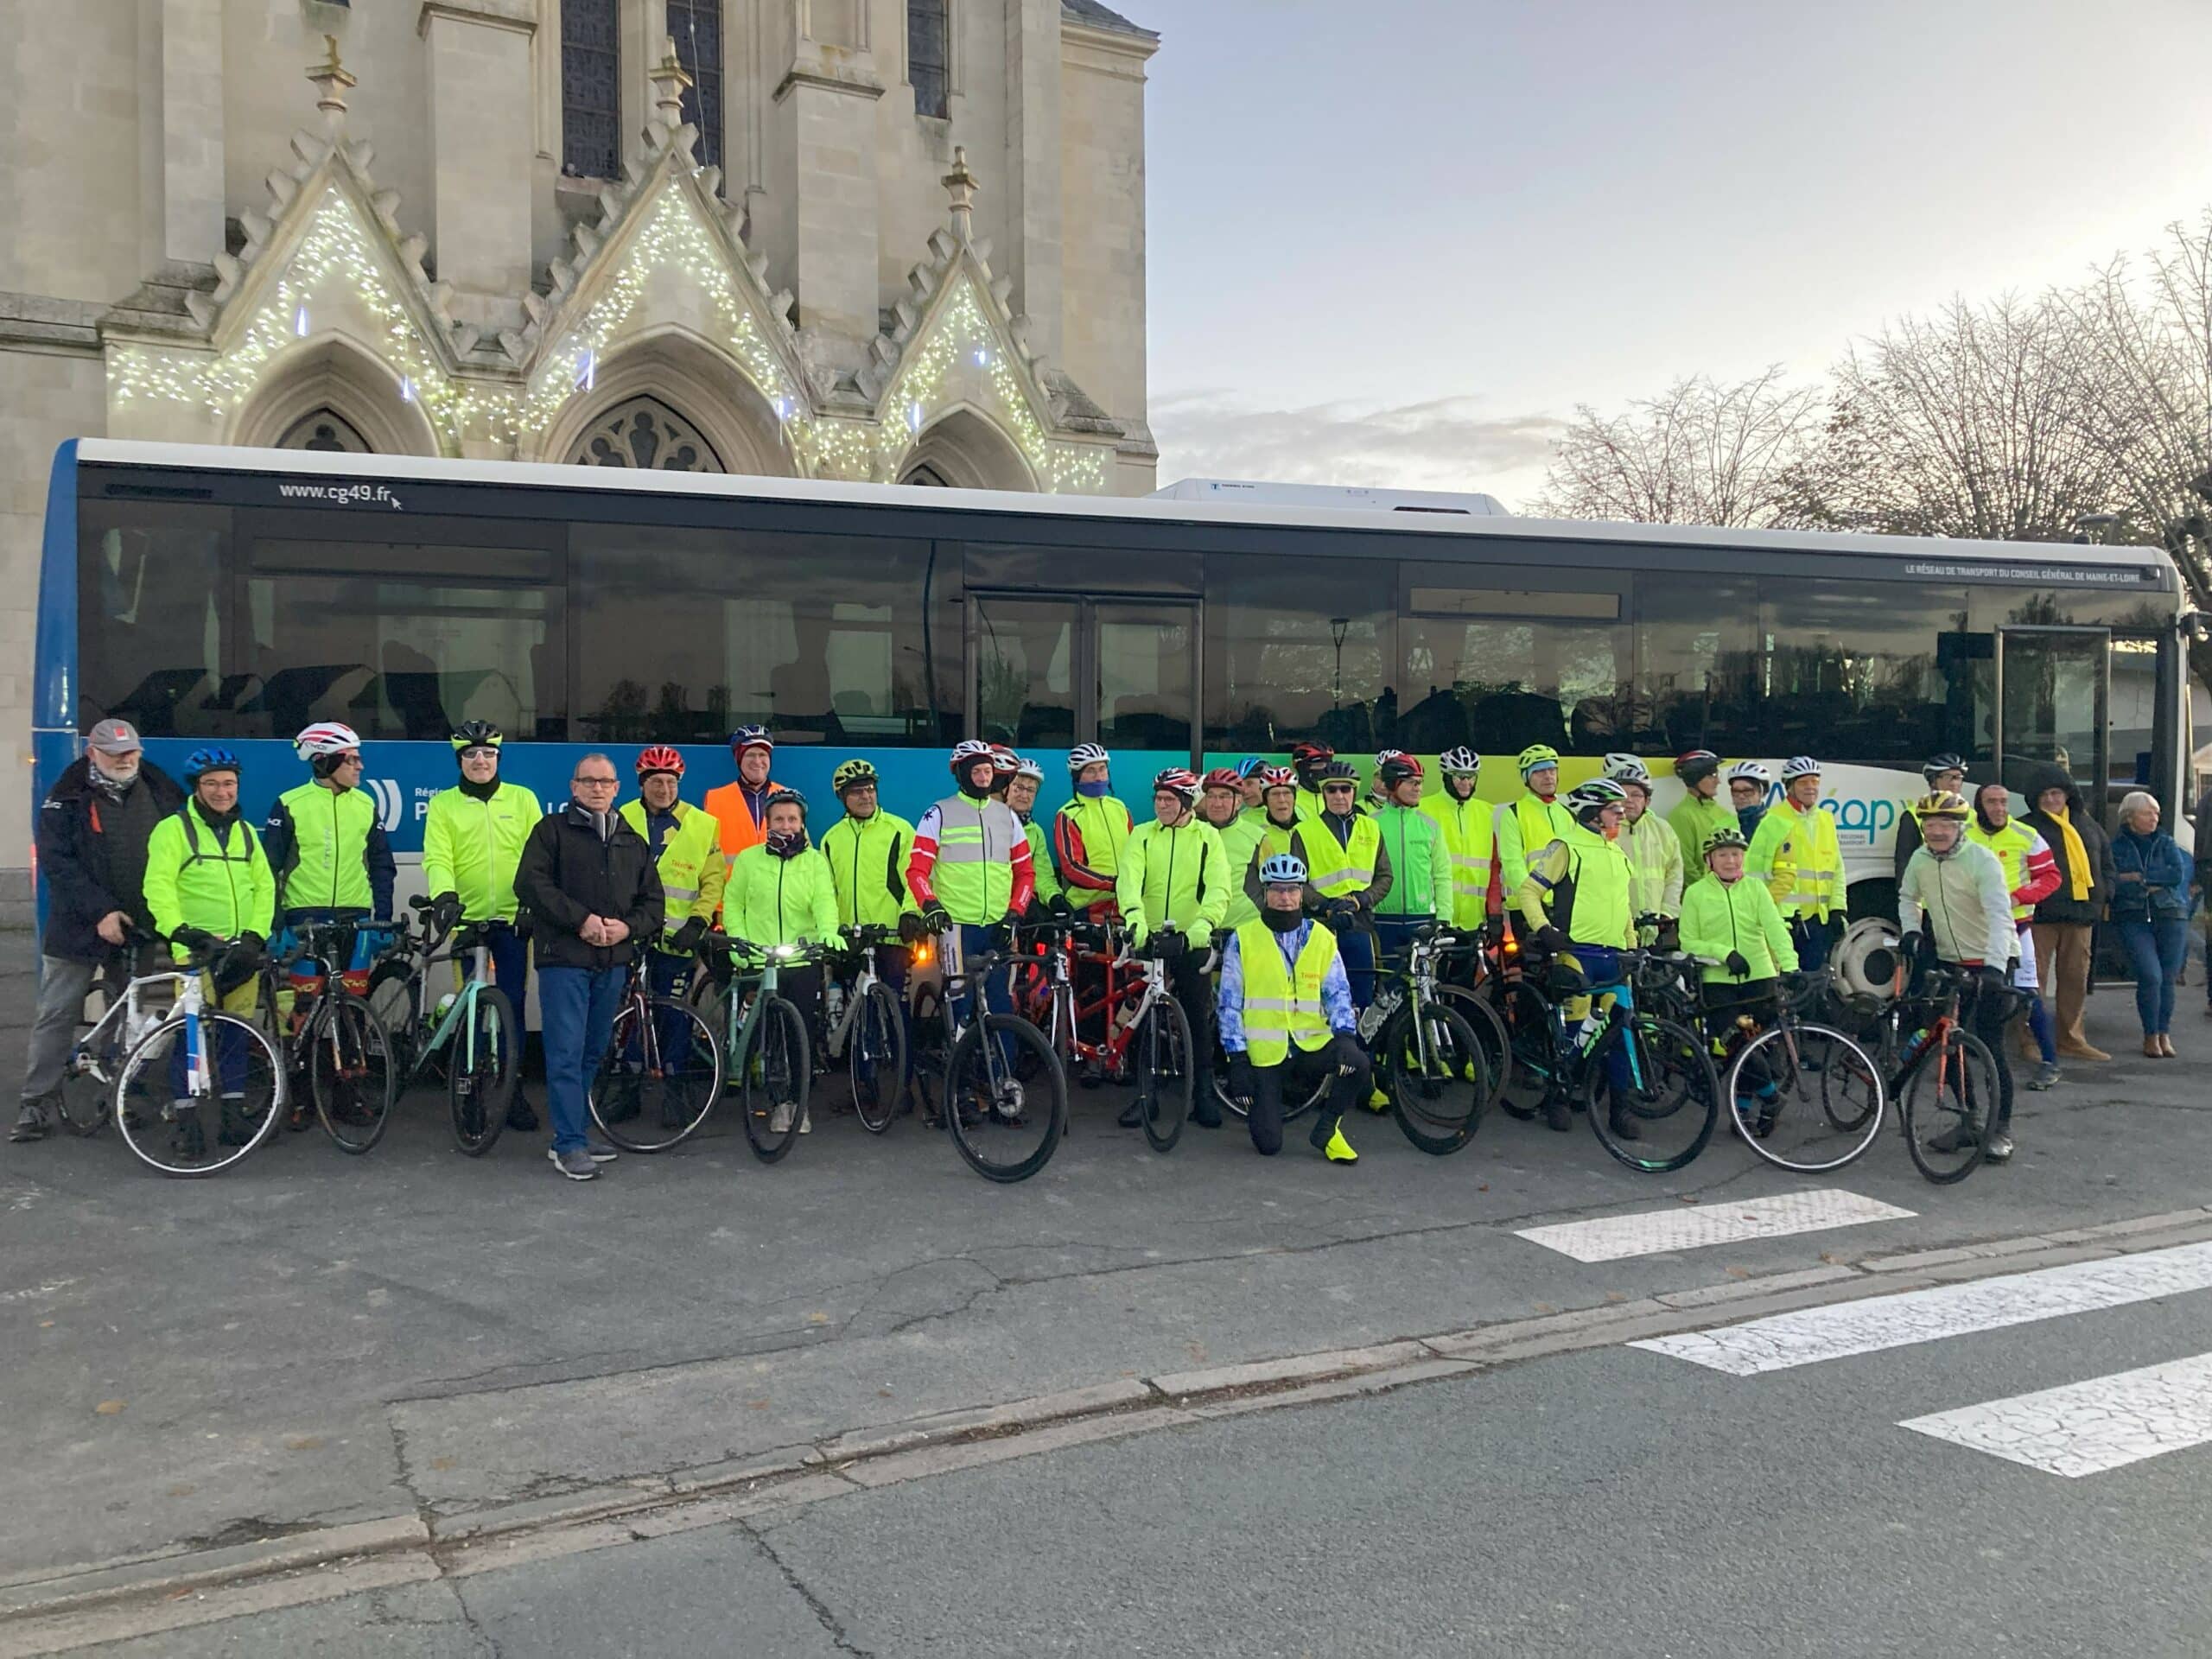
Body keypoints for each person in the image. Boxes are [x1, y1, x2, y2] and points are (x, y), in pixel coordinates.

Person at [16, 720, 186, 1141]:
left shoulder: (161, 788)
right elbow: (59, 865)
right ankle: (36, 1102)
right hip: (80, 925)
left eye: (131, 753)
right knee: (57, 1012)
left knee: (150, 1013)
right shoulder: (66, 795)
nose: (125, 761)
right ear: (93, 754)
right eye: (115, 755)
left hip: (148, 925)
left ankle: (129, 1090)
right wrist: (101, 911)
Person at [514, 753, 664, 1181]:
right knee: (564, 1052)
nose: (598, 788)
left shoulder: (630, 840)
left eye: (606, 782)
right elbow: (530, 884)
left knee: (593, 1052)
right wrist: (581, 920)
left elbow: (652, 903)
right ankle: (568, 1146)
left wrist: (626, 929)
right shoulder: (551, 832)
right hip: (564, 960)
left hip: (612, 960)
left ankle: (573, 1131)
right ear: (573, 787)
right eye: (588, 781)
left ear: (618, 789)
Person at [141, 747, 276, 1153]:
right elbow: (158, 886)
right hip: (198, 951)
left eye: (229, 783)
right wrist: (179, 931)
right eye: (212, 784)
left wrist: (255, 935)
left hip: (240, 951)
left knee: (237, 1032)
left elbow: (265, 887)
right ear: (196, 788)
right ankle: (187, 1122)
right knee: (192, 1036)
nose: (222, 791)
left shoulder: (247, 832)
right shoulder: (173, 830)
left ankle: (233, 1116)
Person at [421, 721, 543, 1131]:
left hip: (512, 920)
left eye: (488, 754)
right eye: (471, 755)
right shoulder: (443, 805)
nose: (480, 761)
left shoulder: (523, 799)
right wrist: (444, 897)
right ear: (460, 761)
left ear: (498, 759)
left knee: (511, 1006)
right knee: (470, 1008)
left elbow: (537, 857)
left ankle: (513, 1093)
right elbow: (438, 857)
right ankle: (470, 1092)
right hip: (468, 921)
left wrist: (531, 903)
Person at [1218, 852, 1365, 1165]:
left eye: (1292, 890)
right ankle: (1268, 1101)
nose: (1285, 897)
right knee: (1269, 1145)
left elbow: (1337, 992)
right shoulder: (1243, 938)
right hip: (1265, 1054)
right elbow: (1229, 1004)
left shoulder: (1322, 938)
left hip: (1307, 1044)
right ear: (1266, 893)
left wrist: (1344, 1036)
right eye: (1277, 890)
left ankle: (1327, 1130)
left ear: (1301, 893)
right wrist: (1237, 1059)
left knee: (1358, 1063)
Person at [1510, 779, 1637, 1135]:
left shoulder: (1617, 852)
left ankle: (1621, 1110)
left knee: (1618, 1030)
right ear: (1594, 814)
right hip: (1577, 951)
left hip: (1614, 955)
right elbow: (1529, 890)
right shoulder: (1565, 846)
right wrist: (1544, 929)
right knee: (1573, 1031)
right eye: (1614, 810)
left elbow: (1623, 908)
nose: (1621, 815)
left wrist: (1632, 945)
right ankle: (1559, 1096)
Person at [1897, 790, 2017, 1161]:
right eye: (1929, 825)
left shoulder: (1981, 861)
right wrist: (1911, 930)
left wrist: (1996, 967)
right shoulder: (1919, 858)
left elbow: (2001, 916)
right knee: (1945, 1040)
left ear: (1959, 828)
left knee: (1991, 1044)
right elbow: (1907, 897)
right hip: (1951, 959)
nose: (1936, 832)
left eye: (1944, 825)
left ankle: (2000, 1130)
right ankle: (1969, 1119)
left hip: (1991, 959)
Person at [609, 745, 724, 1121]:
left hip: (677, 941)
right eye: (656, 781)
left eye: (671, 782)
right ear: (642, 784)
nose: (664, 788)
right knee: (627, 1016)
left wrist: (698, 921)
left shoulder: (703, 824)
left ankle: (675, 1093)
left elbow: (712, 881)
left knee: (675, 1017)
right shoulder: (618, 817)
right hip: (628, 936)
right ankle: (627, 1091)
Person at [908, 742, 1035, 1071]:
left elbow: (1025, 872)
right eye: (976, 771)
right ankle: (960, 1087)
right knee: (960, 1004)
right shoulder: (939, 812)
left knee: (1001, 1006)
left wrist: (1015, 913)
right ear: (961, 774)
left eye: (987, 771)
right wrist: (930, 905)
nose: (982, 777)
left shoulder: (1007, 816)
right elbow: (917, 869)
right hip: (957, 928)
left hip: (997, 926)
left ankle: (1004, 1084)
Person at [1116, 767, 1231, 1128]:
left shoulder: (1207, 837)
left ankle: (1203, 1094)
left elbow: (1218, 888)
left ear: (1186, 803)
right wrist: (1133, 919)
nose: (1161, 806)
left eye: (1169, 800)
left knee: (1197, 1018)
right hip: (1149, 937)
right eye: (1159, 800)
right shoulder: (1143, 835)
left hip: (1189, 938)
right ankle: (1145, 1096)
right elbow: (1129, 879)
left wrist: (1202, 927)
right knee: (1144, 1019)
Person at [724, 787, 842, 1130]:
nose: (787, 825)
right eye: (779, 819)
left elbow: (824, 901)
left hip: (802, 959)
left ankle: (798, 1104)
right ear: (768, 823)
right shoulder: (749, 859)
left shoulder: (815, 860)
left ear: (802, 823)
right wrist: (739, 940)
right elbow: (734, 903)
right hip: (761, 960)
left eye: (793, 819)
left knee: (800, 1032)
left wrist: (827, 930)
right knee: (768, 1034)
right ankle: (777, 1104)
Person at [264, 723, 395, 1011]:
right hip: (305, 919)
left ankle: (352, 1058)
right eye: (351, 759)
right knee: (304, 1009)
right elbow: (268, 870)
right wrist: (275, 923)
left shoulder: (366, 804)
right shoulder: (289, 804)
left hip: (356, 918)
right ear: (325, 761)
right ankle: (298, 1057)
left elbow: (382, 864)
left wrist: (383, 917)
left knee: (355, 1005)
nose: (360, 766)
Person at [1677, 826, 1798, 1136]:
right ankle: (1771, 1097)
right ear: (1710, 861)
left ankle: (1743, 1111)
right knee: (1738, 1041)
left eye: (1736, 854)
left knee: (1759, 1046)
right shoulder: (1696, 893)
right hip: (1718, 981)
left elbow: (1774, 930)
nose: (1731, 861)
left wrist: (1791, 967)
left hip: (1760, 977)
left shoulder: (1756, 890)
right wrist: (1723, 953)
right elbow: (1687, 940)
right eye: (1722, 855)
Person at [1967, 781, 2063, 1090]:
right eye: (1992, 802)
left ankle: (2050, 1062)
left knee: (2028, 995)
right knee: (1969, 991)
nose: (1999, 808)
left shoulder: (2026, 835)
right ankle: (1966, 1055)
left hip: (2015, 929)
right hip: (1973, 928)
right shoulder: (1963, 833)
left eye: (2004, 802)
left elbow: (2051, 876)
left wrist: (2020, 896)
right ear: (1979, 805)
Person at [2021, 765, 2113, 1063]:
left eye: (2056, 793)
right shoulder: (2024, 828)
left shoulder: (2088, 825)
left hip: (2080, 916)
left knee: (2075, 980)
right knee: (2032, 982)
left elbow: (2108, 862)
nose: (2051, 799)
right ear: (2035, 799)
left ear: (2067, 795)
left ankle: (2071, 1040)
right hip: (2039, 918)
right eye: (2044, 795)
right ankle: (2029, 1041)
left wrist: (2105, 892)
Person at [1294, 760, 1393, 1009]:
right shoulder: (1304, 831)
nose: (1339, 795)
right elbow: (1297, 882)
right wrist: (1326, 905)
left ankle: (1362, 1050)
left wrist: (1363, 900)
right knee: (1321, 1002)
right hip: (1323, 924)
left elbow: (1385, 876)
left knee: (1364, 999)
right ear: (1323, 792)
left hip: (1361, 924)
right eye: (1332, 789)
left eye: (1345, 789)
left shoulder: (1372, 828)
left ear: (1354, 792)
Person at [2108, 791, 2190, 1059]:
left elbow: (2176, 875)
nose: (2154, 818)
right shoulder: (2117, 846)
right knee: (2150, 975)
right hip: (2133, 916)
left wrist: (2138, 877)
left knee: (2167, 978)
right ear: (2130, 817)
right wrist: (2143, 880)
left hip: (2171, 914)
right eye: (2147, 813)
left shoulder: (2166, 842)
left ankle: (2164, 1034)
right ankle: (2150, 1034)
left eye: (2156, 813)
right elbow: (2112, 880)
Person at [1745, 756, 1842, 971]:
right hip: (1785, 919)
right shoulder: (1772, 820)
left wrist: (1838, 909)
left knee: (1814, 983)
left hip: (1818, 919)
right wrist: (1764, 912)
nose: (1811, 788)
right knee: (1786, 981)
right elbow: (1754, 872)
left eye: (1814, 782)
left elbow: (1836, 868)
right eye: (1803, 782)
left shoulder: (1826, 819)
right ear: (1789, 787)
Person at [1371, 753, 1452, 963]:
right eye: (1411, 783)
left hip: (1423, 918)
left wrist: (1444, 917)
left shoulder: (1430, 825)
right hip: (1382, 919)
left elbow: (1442, 874)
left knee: (1424, 987)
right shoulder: (1370, 825)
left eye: (1420, 783)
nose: (1418, 788)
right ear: (1392, 785)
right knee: (1389, 989)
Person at [1605, 755, 1682, 949]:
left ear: (1647, 801)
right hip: (1615, 928)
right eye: (1623, 794)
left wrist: (1667, 912)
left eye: (1636, 795)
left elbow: (1675, 874)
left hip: (1656, 928)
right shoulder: (1604, 829)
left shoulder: (1662, 829)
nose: (1629, 801)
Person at [1421, 747, 1496, 944]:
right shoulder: (1423, 808)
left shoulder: (1489, 812)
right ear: (1446, 777)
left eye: (1471, 776)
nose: (1465, 782)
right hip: (1435, 917)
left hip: (1474, 920)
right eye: (1458, 776)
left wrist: (1494, 914)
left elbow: (1496, 866)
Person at [1052, 742, 1130, 918]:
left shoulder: (1120, 808)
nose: (1099, 777)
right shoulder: (1068, 815)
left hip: (1124, 904)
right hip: (1088, 907)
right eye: (1090, 771)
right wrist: (1112, 883)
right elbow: (1071, 867)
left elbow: (1135, 854)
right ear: (1077, 776)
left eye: (1102, 769)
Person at [1495, 743, 1575, 906]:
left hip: (1564, 905)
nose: (1548, 776)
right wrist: (1533, 901)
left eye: (1552, 770)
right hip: (1528, 907)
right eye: (1539, 771)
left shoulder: (1567, 814)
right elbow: (1513, 865)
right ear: (1526, 778)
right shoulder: (1514, 814)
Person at [703, 725, 779, 876]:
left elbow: (803, 852)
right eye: (750, 755)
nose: (757, 761)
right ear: (738, 759)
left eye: (763, 755)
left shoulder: (788, 797)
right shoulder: (714, 799)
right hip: (729, 896)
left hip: (775, 896)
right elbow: (704, 856)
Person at [1894, 753, 1968, 885]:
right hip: (1928, 899)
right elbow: (1904, 861)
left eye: (1958, 777)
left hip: (1963, 898)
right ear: (1933, 781)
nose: (1955, 783)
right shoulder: (1913, 815)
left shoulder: (1971, 814)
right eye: (1949, 777)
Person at [1004, 757, 1065, 918]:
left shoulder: (1035, 832)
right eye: (1018, 787)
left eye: (1031, 790)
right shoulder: (991, 822)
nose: (1024, 795)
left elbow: (1042, 876)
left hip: (1022, 902)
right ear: (1006, 788)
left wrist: (1055, 898)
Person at [1214, 766, 1270, 930]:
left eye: (1224, 796)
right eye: (1211, 796)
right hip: (1201, 930)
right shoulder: (1196, 834)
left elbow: (1273, 886)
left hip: (1246, 928)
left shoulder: (1258, 837)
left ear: (1238, 801)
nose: (1217, 803)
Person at [1669, 750, 1734, 884]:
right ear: (1694, 779)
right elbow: (1685, 865)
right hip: (1701, 896)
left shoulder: (1725, 814)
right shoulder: (1682, 815)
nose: (1718, 781)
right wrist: (1709, 891)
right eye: (1712, 776)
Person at [1288, 741, 1337, 823]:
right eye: (1318, 765)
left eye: (1328, 765)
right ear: (1301, 767)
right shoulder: (1288, 798)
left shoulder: (1337, 796)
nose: (1324, 770)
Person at [1726, 760, 1772, 840]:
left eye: (1747, 791)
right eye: (1736, 791)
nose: (1741, 796)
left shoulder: (1781, 826)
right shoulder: (1722, 826)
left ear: (1762, 792)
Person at [1233, 756, 1268, 820]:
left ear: (1265, 783)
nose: (1245, 791)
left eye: (1249, 784)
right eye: (1240, 785)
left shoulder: (1290, 811)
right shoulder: (1239, 819)